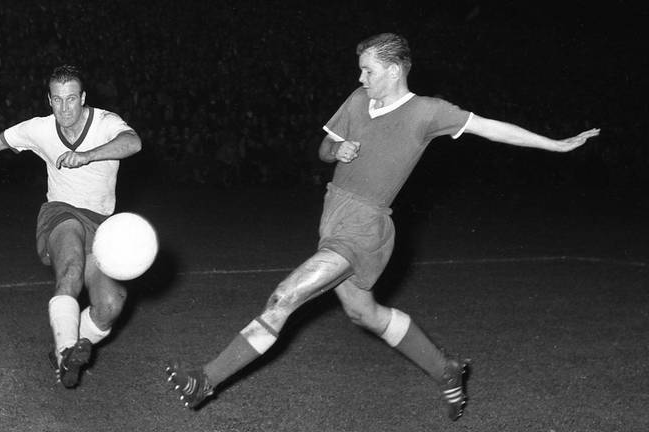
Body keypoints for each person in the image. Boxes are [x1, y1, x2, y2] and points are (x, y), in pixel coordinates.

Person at [164, 33, 599, 420]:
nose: (361, 77)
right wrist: (339, 153)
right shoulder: (357, 100)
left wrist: (556, 145)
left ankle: (206, 379)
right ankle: (444, 368)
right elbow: (323, 149)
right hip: (333, 214)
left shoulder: (428, 113)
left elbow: (490, 129)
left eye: (368, 70)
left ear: (393, 70)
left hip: (365, 227)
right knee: (363, 313)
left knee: (284, 296)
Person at [0, 65, 143, 388]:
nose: (64, 108)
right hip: (60, 214)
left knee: (110, 304)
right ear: (49, 99)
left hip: (103, 225)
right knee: (71, 269)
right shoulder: (39, 128)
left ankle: (69, 348)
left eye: (71, 99)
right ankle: (65, 351)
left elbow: (133, 143)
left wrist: (88, 155)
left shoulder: (105, 122)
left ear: (83, 98)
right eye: (57, 100)